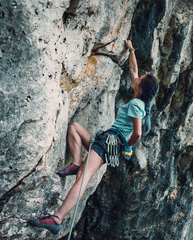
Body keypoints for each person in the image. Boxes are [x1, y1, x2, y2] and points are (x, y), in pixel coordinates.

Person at [28, 40, 159, 234]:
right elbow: (134, 71)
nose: (137, 78)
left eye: (140, 79)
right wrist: (131, 49)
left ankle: (56, 219)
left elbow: (137, 133)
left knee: (83, 178)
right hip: (106, 141)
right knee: (74, 128)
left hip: (110, 143)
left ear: (140, 88)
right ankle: (76, 163)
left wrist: (126, 146)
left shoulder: (136, 106)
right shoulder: (138, 101)